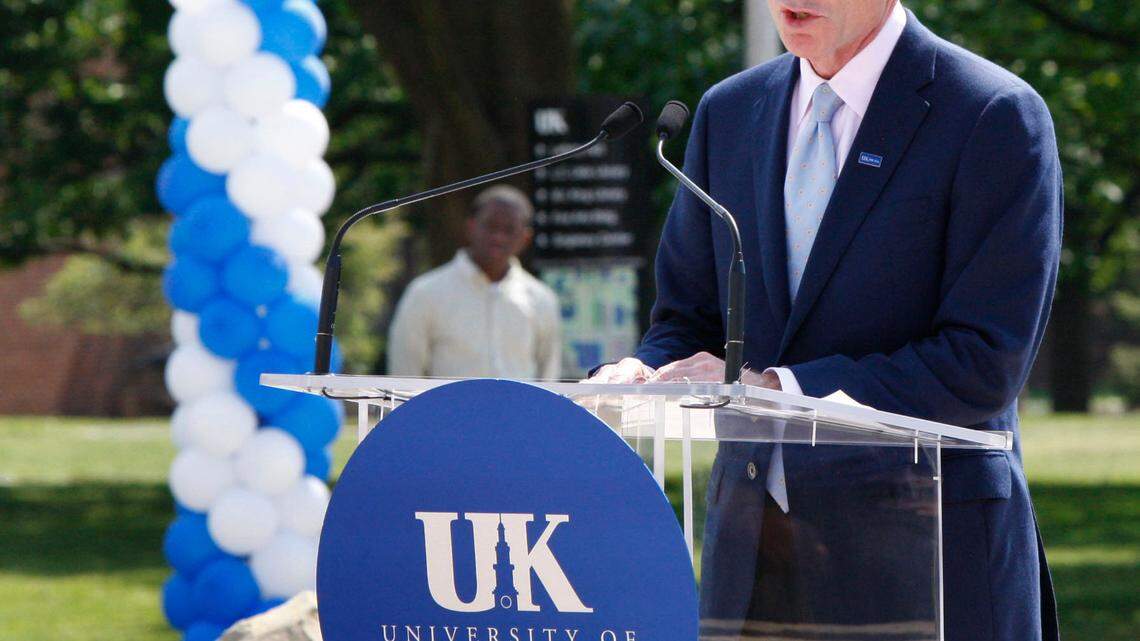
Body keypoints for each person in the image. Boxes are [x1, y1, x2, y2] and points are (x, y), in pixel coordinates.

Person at [590, 2, 1061, 640]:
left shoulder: (990, 114)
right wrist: (642, 370)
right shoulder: (729, 111)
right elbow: (689, 318)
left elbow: (982, 362)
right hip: (751, 566)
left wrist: (779, 391)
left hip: (924, 563)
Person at [387, 185, 561, 379]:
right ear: (470, 226)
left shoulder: (542, 299)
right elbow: (404, 378)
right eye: (490, 226)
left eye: (509, 229)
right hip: (447, 410)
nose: (498, 237)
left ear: (526, 238)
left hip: (522, 411)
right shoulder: (425, 293)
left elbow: (548, 378)